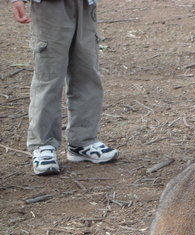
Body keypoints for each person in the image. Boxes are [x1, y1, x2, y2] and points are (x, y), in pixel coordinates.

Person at [11, 0, 118, 176]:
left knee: (87, 73)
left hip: (84, 6)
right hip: (50, 6)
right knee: (49, 76)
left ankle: (82, 141)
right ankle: (43, 144)